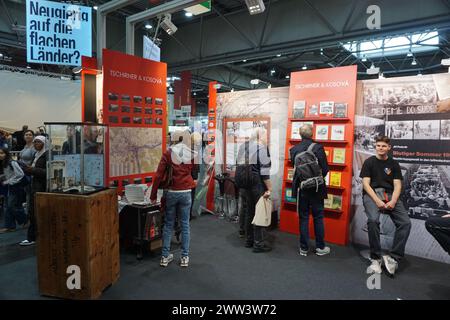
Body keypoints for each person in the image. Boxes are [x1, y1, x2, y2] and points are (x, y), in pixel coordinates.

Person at [360, 135, 411, 275]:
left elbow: (397, 184)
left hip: (390, 195)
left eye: (383, 146)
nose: (380, 148)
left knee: (405, 223)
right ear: (375, 146)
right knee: (373, 221)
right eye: (378, 145)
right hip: (372, 194)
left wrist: (393, 201)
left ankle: (393, 258)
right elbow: (365, 184)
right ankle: (375, 258)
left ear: (389, 147)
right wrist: (377, 201)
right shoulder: (369, 162)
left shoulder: (394, 164)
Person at [150, 130, 196, 267]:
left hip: (171, 191)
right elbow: (190, 170)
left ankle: (164, 257)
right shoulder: (190, 153)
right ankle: (184, 257)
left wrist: (153, 195)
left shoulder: (168, 153)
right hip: (186, 191)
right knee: (185, 224)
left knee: (168, 224)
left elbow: (158, 175)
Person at [289, 124, 330, 257]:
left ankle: (303, 248)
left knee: (304, 217)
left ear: (300, 135)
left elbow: (296, 170)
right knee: (318, 217)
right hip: (317, 188)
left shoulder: (294, 149)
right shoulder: (318, 147)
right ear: (312, 134)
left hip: (302, 188)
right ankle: (320, 247)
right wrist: (316, 180)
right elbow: (325, 169)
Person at [236, 127, 272, 253]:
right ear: (259, 136)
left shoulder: (243, 147)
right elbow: (265, 171)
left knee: (249, 212)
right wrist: (270, 188)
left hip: (245, 184)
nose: (267, 138)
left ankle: (249, 240)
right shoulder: (262, 148)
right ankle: (259, 244)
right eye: (266, 136)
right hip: (257, 185)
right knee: (260, 212)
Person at [19, 136, 48, 246]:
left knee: (36, 211)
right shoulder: (36, 154)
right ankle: (32, 237)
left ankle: (33, 237)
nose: (36, 144)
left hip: (42, 187)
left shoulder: (47, 155)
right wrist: (27, 169)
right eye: (35, 142)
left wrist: (32, 170)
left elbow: (48, 172)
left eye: (38, 142)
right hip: (34, 185)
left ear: (44, 143)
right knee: (32, 212)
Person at [0, 146, 27, 233]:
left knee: (12, 206)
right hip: (9, 187)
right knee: (7, 207)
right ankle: (10, 226)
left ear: (6, 153)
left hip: (15, 187)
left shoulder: (12, 162)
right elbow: (10, 174)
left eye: (2, 153)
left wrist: (8, 181)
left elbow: (20, 174)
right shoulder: (4, 163)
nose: (0, 155)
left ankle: (25, 220)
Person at [18, 130, 36, 221]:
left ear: (33, 136)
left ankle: (30, 216)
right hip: (23, 174)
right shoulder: (25, 146)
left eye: (30, 134)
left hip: (30, 174)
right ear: (24, 136)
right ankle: (28, 215)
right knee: (27, 195)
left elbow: (34, 161)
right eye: (26, 134)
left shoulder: (34, 147)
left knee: (29, 196)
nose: (28, 136)